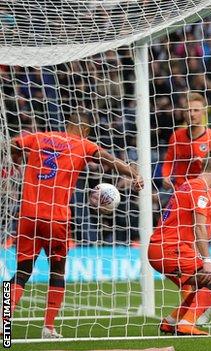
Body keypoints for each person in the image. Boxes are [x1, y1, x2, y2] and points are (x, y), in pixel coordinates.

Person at [9, 112, 143, 339]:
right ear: (86, 130)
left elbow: (13, 143)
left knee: (21, 272)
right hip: (56, 217)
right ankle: (48, 328)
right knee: (57, 271)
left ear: (68, 124)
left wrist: (17, 159)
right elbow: (107, 158)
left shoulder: (40, 137)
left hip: (28, 215)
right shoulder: (82, 144)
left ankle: (3, 323)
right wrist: (133, 173)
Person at [149, 152, 211, 335]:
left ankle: (171, 322)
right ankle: (186, 323)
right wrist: (207, 261)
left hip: (158, 249)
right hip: (171, 249)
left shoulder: (187, 185)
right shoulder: (200, 189)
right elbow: (199, 228)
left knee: (201, 283)